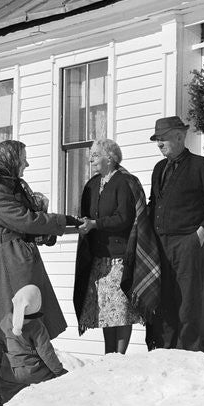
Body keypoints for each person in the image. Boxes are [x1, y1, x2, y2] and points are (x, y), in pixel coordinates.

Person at [0, 140, 77, 405]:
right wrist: (63, 221)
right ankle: (6, 388)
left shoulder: (10, 188)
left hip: (18, 257)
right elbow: (26, 220)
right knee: (14, 322)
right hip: (8, 263)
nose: (26, 164)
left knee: (30, 321)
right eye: (23, 158)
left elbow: (28, 222)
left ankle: (33, 378)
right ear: (10, 159)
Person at [147, 116, 204, 351]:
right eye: (157, 140)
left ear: (180, 136)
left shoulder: (200, 166)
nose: (159, 144)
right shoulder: (159, 168)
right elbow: (155, 203)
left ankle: (189, 358)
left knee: (187, 304)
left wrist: (199, 236)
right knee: (164, 302)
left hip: (187, 243)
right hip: (160, 245)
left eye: (163, 138)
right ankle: (165, 355)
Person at [73, 139, 144, 354]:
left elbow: (125, 218)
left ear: (110, 157)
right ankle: (109, 356)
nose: (90, 158)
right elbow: (86, 214)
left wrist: (96, 224)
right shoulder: (92, 184)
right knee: (106, 309)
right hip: (99, 256)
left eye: (95, 154)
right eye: (91, 154)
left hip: (119, 256)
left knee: (121, 310)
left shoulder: (124, 182)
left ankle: (119, 357)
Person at [0, 284, 68, 406]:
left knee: (7, 398)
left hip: (10, 372)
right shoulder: (36, 326)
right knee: (55, 384)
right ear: (36, 305)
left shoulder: (5, 321)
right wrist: (59, 371)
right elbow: (46, 353)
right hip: (33, 372)